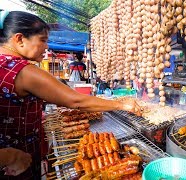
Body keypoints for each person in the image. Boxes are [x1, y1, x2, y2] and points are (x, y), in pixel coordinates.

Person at [0, 11, 142, 179]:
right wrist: (122, 104)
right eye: (43, 40)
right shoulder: (22, 70)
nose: (46, 47)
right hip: (16, 164)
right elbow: (75, 100)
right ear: (19, 39)